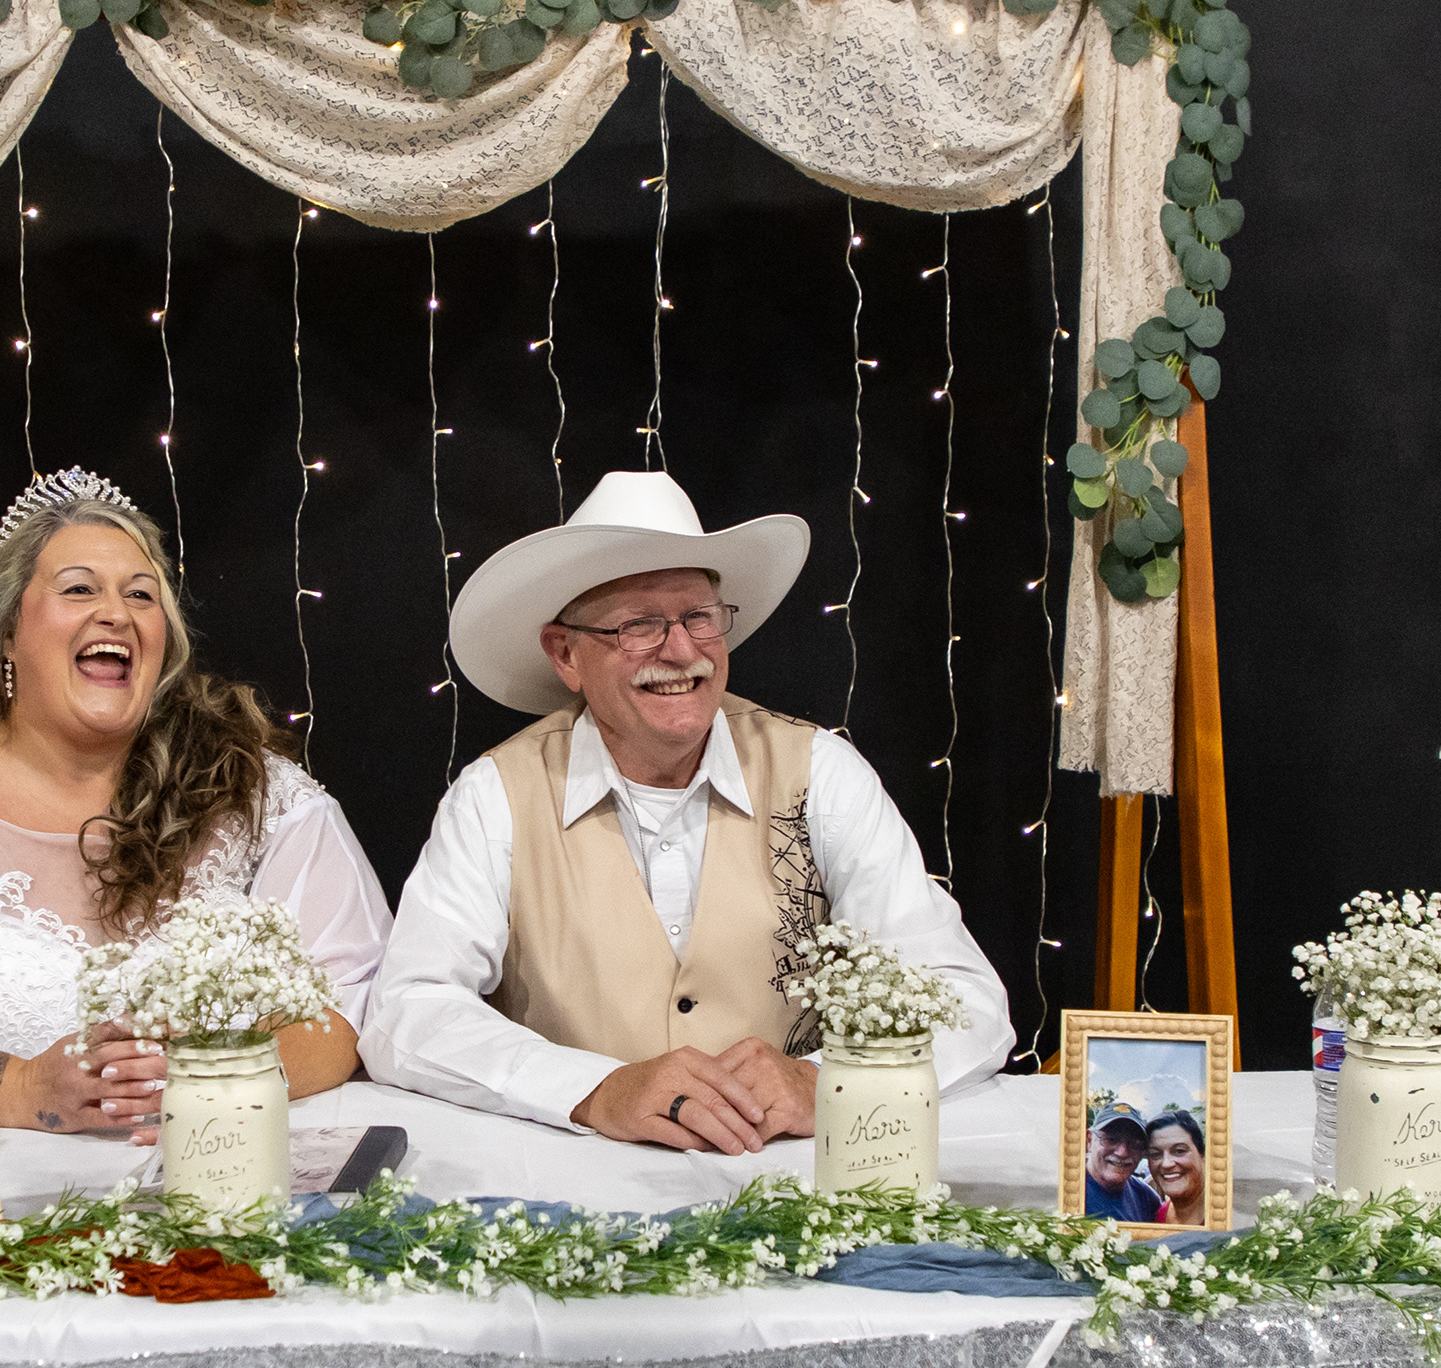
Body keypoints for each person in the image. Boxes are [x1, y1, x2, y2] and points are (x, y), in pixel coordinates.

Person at [363, 468, 1011, 1151]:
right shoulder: (494, 794)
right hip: (575, 1178)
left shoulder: (821, 772)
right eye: (638, 625)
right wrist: (594, 1089)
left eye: (699, 617)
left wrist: (832, 1082)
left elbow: (964, 998)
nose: (680, 651)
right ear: (565, 654)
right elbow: (408, 1011)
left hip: (790, 1173)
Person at [0, 469, 391, 1144]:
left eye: (141, 594)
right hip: (12, 1199)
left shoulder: (258, 795)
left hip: (232, 1175)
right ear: (8, 631)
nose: (116, 613)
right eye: (79, 589)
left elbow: (355, 1002)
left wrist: (221, 1076)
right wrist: (21, 1088)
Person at [1079, 1107, 1162, 1222]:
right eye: (1111, 1140)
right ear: (1089, 1140)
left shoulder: (1147, 1200)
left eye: (1134, 1144)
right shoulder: (1067, 1191)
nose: (1122, 1152)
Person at [1140, 1107, 1209, 1226]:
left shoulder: (1224, 1216)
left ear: (1203, 1154)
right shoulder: (1158, 1216)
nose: (1166, 1164)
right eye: (1155, 1154)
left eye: (1179, 1151)